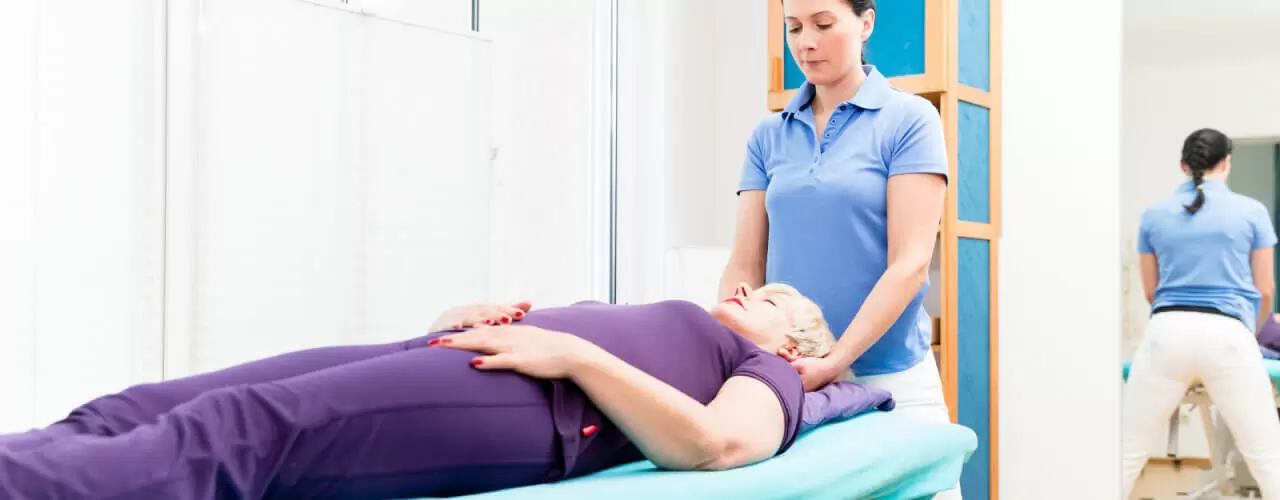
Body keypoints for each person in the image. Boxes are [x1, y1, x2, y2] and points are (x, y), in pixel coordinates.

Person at [0, 284, 894, 499]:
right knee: (147, 404)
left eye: (769, 298)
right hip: (452, 355)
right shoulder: (690, 320)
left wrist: (575, 355)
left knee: (245, 429)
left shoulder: (768, 373)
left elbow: (714, 444)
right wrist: (467, 317)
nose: (747, 290)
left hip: (535, 405)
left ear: (796, 343)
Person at [721, 0, 954, 495]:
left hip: (891, 382)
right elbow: (745, 262)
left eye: (824, 24)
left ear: (866, 23)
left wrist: (835, 361)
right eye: (794, 28)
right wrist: (729, 350)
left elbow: (910, 265)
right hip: (796, 384)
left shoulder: (909, 120)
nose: (806, 43)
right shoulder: (768, 135)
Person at [1121, 128, 1280, 498]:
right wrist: (1250, 332)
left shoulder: (1154, 215)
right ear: (1227, 163)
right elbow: (1265, 290)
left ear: (1183, 165)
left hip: (1166, 332)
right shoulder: (1252, 212)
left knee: (1125, 456)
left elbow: (1150, 291)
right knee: (1268, 459)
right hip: (1229, 335)